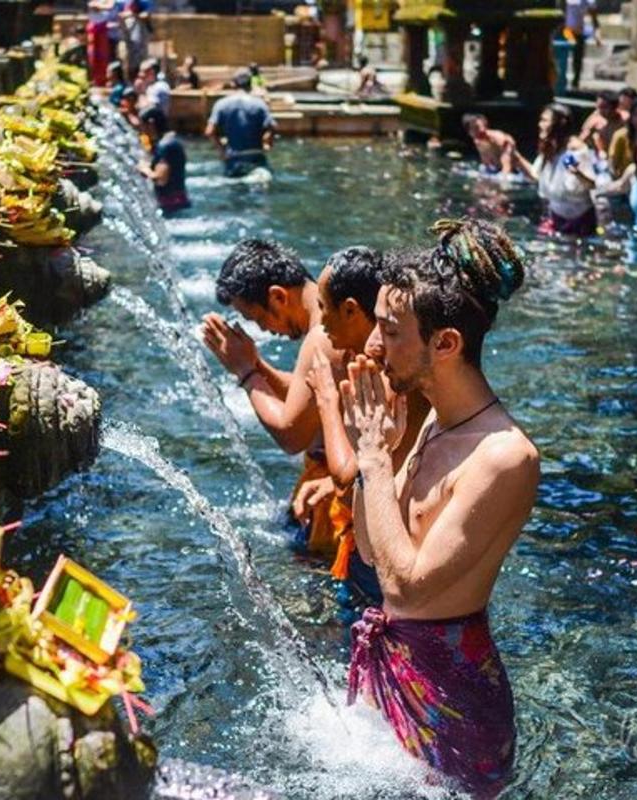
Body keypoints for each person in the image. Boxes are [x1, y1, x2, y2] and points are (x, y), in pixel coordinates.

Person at [341, 218, 538, 796]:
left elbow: (409, 589)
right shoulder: (432, 422)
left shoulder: (505, 457)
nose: (373, 345)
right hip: (397, 669)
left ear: (445, 344)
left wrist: (377, 460)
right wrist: (368, 461)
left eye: (390, 331)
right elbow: (376, 553)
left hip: (455, 713)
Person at [303, 249, 432, 605]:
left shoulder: (392, 375)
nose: (321, 320)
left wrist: (327, 399)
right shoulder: (393, 367)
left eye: (387, 328)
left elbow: (350, 474)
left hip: (388, 545)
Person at [200, 240, 344, 557]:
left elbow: (292, 434)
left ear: (278, 296)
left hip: (341, 505)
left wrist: (246, 374)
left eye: (258, 319)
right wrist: (257, 364)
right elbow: (307, 396)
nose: (265, 329)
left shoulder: (323, 336)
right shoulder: (328, 321)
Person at [515, 103, 599, 236]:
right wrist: (516, 157)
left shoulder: (575, 150)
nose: (540, 124)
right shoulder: (549, 147)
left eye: (545, 120)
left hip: (580, 222)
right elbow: (535, 175)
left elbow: (592, 184)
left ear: (560, 123)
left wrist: (578, 173)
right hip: (556, 219)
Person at [206, 69, 277, 178]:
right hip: (256, 158)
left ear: (233, 84)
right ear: (250, 85)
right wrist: (267, 143)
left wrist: (222, 151)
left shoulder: (221, 104)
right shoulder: (260, 104)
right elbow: (272, 127)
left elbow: (209, 132)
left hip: (234, 158)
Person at [137, 107, 190, 214]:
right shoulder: (171, 140)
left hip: (171, 204)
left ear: (151, 123)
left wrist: (144, 169)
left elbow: (161, 179)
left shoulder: (165, 145)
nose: (141, 130)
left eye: (142, 125)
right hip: (178, 201)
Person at [563, 0, 599, 89]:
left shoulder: (589, 2)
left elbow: (594, 17)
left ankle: (575, 81)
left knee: (577, 58)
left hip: (578, 32)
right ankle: (563, 80)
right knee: (563, 54)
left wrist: (597, 34)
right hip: (567, 31)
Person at [579, 89, 623, 161]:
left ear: (614, 108)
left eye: (603, 107)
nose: (599, 110)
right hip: (599, 159)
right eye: (598, 106)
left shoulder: (623, 121)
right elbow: (581, 139)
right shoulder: (595, 118)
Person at [86, 0, 117, 86]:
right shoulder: (94, 6)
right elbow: (91, 4)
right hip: (94, 35)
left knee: (103, 58)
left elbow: (110, 5)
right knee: (93, 58)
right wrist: (99, 5)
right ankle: (95, 80)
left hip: (102, 36)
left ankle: (102, 80)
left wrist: (99, 6)